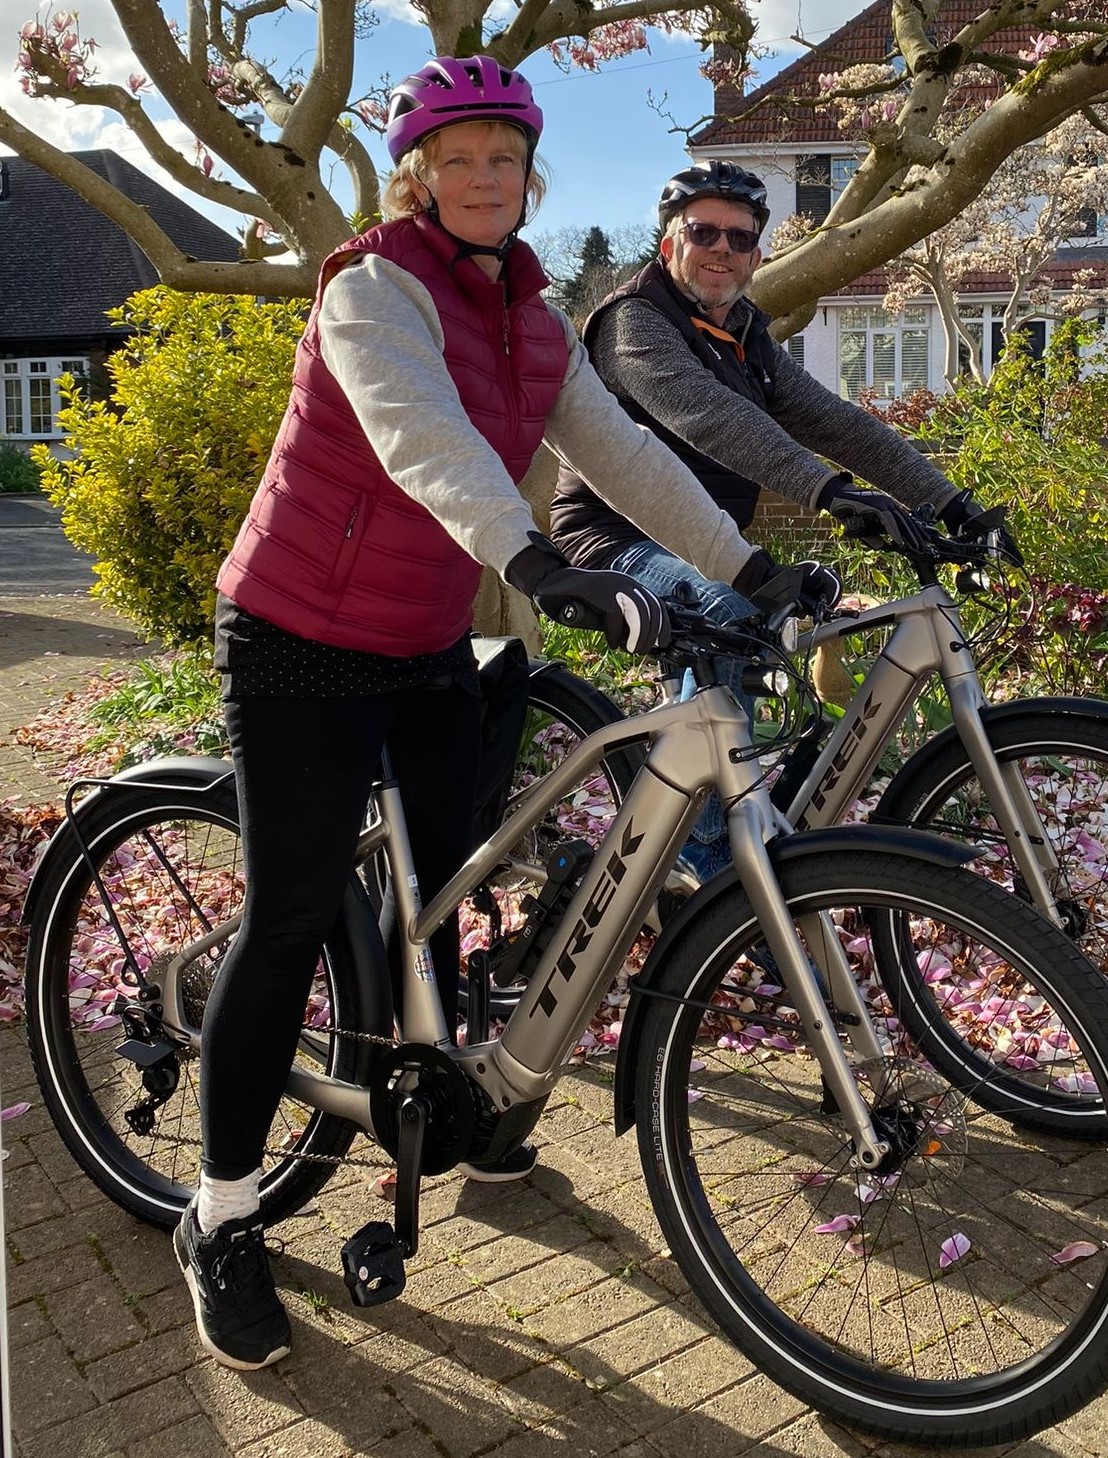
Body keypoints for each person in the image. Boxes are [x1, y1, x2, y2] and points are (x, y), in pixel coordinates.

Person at [177, 60, 827, 1374]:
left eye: (505, 159)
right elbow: (424, 441)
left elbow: (626, 458)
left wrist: (747, 571)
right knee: (294, 911)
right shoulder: (373, 287)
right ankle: (225, 1208)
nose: (485, 179)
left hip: (422, 636)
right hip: (300, 634)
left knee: (457, 868)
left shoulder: (537, 319)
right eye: (459, 158)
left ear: (531, 176)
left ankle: (429, 1084)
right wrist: (536, 565)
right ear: (418, 172)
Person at [551, 161, 1017, 876]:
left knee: (805, 617)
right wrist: (830, 494)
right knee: (730, 613)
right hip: (614, 540)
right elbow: (718, 421)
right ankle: (709, 867)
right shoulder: (633, 323)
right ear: (668, 241)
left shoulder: (748, 337)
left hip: (710, 543)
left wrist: (951, 503)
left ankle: (764, 808)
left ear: (758, 255)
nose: (722, 250)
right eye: (702, 231)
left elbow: (838, 424)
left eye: (740, 239)